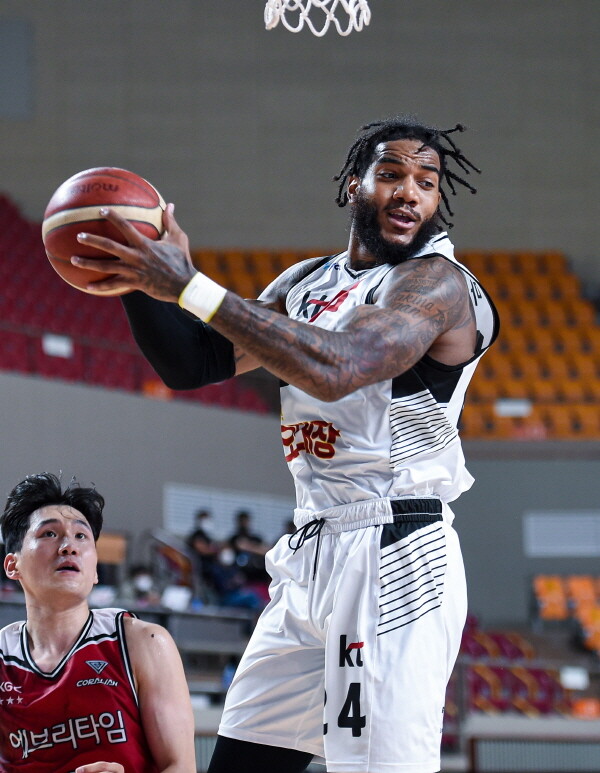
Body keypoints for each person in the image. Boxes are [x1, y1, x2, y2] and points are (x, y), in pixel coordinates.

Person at [71, 115, 499, 773]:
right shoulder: (308, 283)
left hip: (396, 552)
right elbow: (193, 361)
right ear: (353, 185)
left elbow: (342, 364)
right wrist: (135, 274)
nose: (410, 192)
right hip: (309, 553)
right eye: (391, 174)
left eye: (427, 181)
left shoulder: (435, 283)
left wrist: (188, 284)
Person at [0, 473, 196, 773]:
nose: (69, 546)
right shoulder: (4, 657)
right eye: (49, 533)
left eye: (81, 536)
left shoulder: (143, 642)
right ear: (13, 565)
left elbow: (180, 766)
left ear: (94, 571)